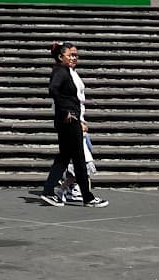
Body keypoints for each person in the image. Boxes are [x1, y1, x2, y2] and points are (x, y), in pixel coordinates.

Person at [40, 40, 108, 208]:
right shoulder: (61, 71)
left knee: (65, 157)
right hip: (69, 120)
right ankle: (87, 197)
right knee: (77, 159)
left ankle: (50, 191)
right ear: (60, 56)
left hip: (70, 120)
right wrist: (66, 112)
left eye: (76, 55)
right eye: (70, 55)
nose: (74, 58)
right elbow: (53, 90)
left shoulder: (66, 71)